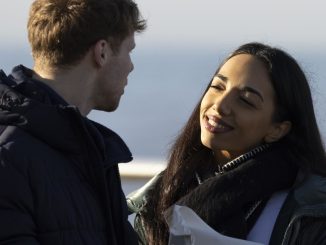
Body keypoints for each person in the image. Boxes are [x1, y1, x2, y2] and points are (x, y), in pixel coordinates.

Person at [127, 42, 326, 245]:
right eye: (217, 87)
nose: (220, 105)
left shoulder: (311, 209)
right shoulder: (159, 194)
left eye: (246, 100)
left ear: (277, 129)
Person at [0, 0, 146, 244]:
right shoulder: (9, 158)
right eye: (129, 50)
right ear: (102, 52)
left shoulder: (87, 151)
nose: (131, 66)